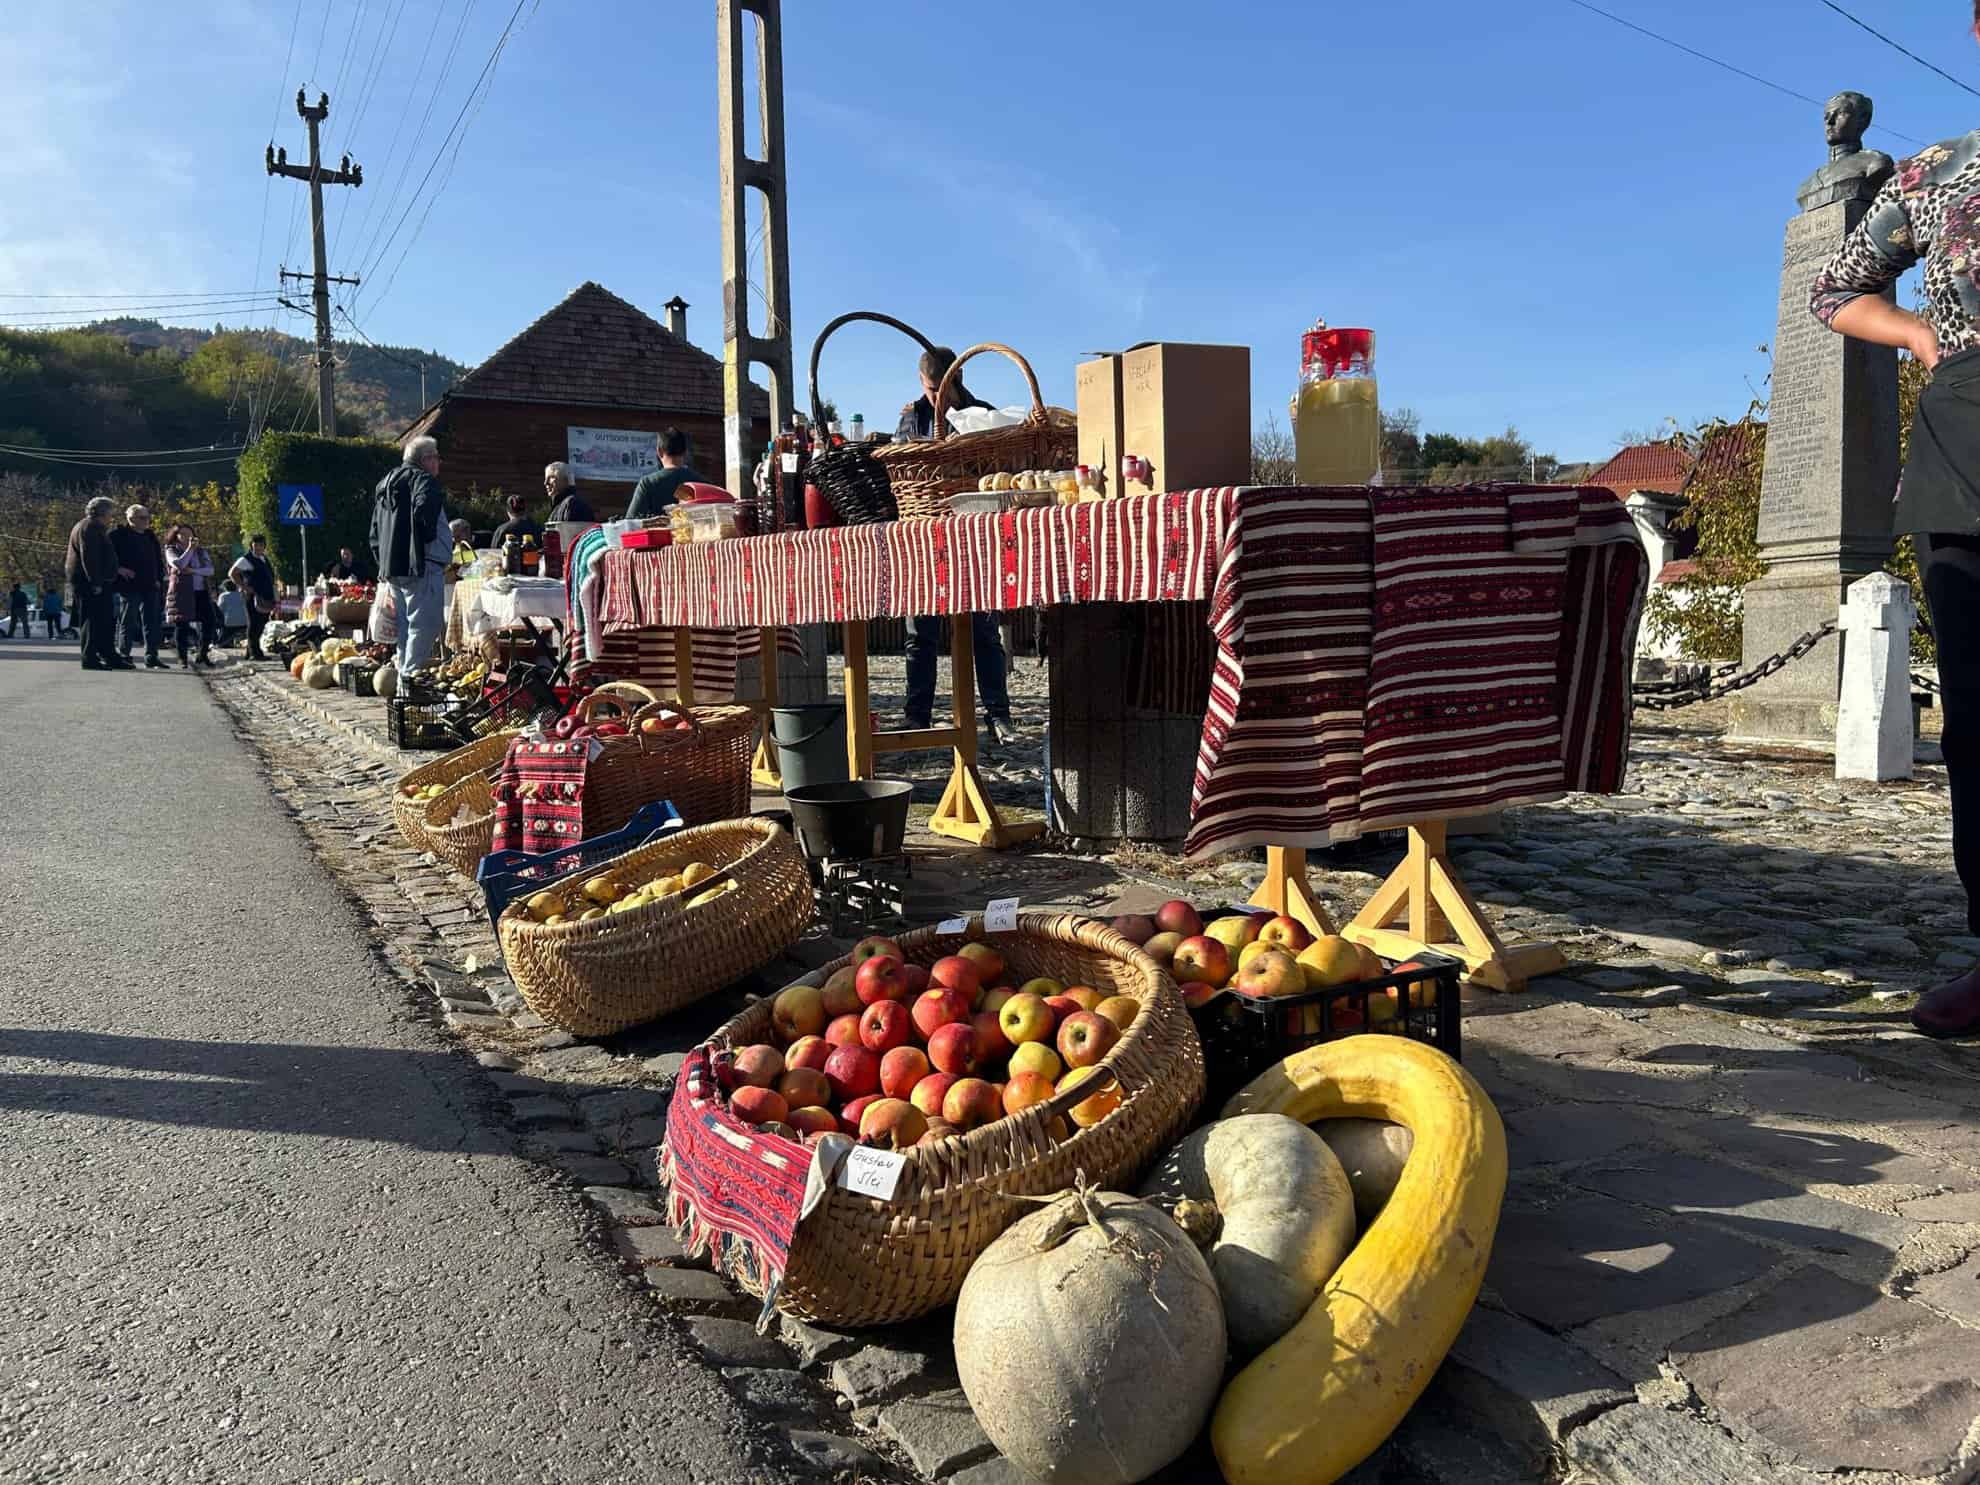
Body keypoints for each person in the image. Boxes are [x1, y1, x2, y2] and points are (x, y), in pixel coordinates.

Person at [1812, 36, 1980, 1038]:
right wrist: (1921, 335)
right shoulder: (1935, 174)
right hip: (1968, 447)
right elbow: (1837, 287)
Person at [894, 347, 1014, 732]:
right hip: (926, 539)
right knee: (920, 632)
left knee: (984, 630)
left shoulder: (983, 414)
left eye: (942, 389)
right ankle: (918, 716)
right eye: (930, 390)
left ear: (957, 380)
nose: (936, 398)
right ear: (921, 383)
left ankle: (998, 714)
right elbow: (902, 468)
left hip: (974, 537)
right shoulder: (912, 417)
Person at [371, 434, 454, 671]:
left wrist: (383, 563)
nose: (439, 463)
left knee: (406, 629)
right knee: (425, 624)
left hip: (394, 569)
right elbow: (423, 516)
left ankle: (403, 687)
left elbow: (374, 532)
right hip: (422, 565)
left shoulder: (386, 483)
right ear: (426, 459)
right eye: (436, 457)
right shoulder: (424, 481)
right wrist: (426, 542)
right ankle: (409, 679)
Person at [65, 495, 130, 671]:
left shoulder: (92, 527)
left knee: (105, 620)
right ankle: (89, 658)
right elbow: (90, 557)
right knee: (92, 620)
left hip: (98, 580)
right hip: (90, 582)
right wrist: (96, 582)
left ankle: (109, 655)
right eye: (110, 513)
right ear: (103, 513)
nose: (112, 517)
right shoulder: (90, 528)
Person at [112, 503, 166, 669]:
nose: (147, 520)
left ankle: (151, 656)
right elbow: (107, 556)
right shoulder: (117, 535)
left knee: (152, 621)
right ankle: (124, 655)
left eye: (148, 517)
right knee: (128, 620)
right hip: (129, 586)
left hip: (150, 585)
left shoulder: (150, 536)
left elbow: (158, 559)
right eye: (143, 517)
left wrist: (159, 578)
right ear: (131, 519)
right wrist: (119, 569)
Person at [163, 524, 216, 668]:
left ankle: (203, 654)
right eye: (183, 534)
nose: (187, 537)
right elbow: (179, 564)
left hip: (201, 591)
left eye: (190, 534)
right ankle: (182, 658)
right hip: (182, 592)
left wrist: (193, 570)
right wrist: (189, 550)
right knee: (182, 624)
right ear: (176, 536)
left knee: (210, 621)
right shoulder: (171, 549)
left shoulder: (201, 551)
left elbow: (210, 570)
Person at [625, 428, 700, 519]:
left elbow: (631, 522)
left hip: (659, 533)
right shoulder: (702, 483)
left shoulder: (648, 483)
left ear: (659, 451)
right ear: (685, 452)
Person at [229, 535, 278, 661]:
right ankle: (255, 653)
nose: (258, 547)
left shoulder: (264, 559)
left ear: (264, 546)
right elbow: (232, 573)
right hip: (252, 596)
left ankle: (250, 651)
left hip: (264, 596)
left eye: (261, 545)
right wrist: (244, 587)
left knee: (261, 623)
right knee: (254, 623)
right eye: (255, 545)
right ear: (251, 546)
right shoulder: (246, 559)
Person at [216, 579, 247, 647]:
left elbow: (219, 609)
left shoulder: (223, 596)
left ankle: (225, 642)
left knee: (220, 642)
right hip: (243, 621)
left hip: (229, 623)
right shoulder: (242, 594)